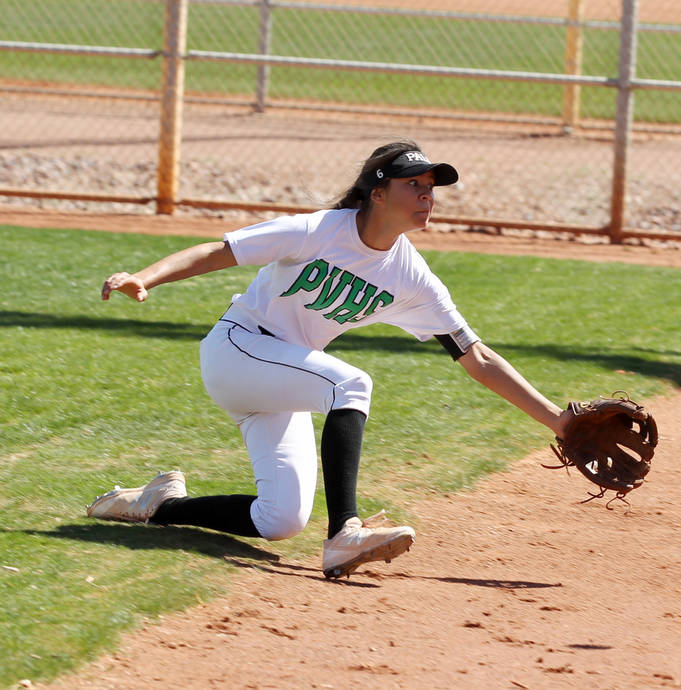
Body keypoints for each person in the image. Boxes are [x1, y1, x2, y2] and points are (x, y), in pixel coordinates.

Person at [88, 140, 570, 579]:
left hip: (283, 377)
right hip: (237, 350)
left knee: (279, 519)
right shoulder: (317, 231)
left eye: (430, 187)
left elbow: (477, 357)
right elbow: (220, 251)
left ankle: (159, 505)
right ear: (376, 193)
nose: (428, 195)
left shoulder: (413, 277)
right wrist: (144, 277)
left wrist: (559, 423)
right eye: (414, 184)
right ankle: (345, 534)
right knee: (351, 384)